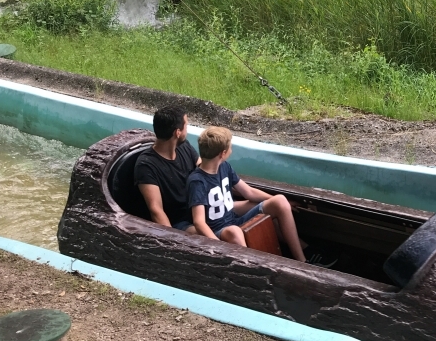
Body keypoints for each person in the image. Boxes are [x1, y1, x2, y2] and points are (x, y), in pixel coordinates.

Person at [187, 126, 335, 267]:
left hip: (233, 218)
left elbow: (248, 192)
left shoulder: (224, 167)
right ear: (222, 153)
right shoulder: (197, 181)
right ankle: (251, 267)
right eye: (230, 148)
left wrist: (274, 200)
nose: (231, 150)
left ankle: (302, 261)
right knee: (234, 231)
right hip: (218, 230)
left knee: (279, 201)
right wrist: (216, 245)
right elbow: (199, 222)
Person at [135, 105, 200, 230]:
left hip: (199, 210)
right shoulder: (146, 165)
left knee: (249, 207)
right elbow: (156, 209)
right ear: (177, 132)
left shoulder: (184, 146)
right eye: (186, 126)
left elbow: (204, 170)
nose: (187, 130)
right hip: (180, 224)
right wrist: (171, 239)